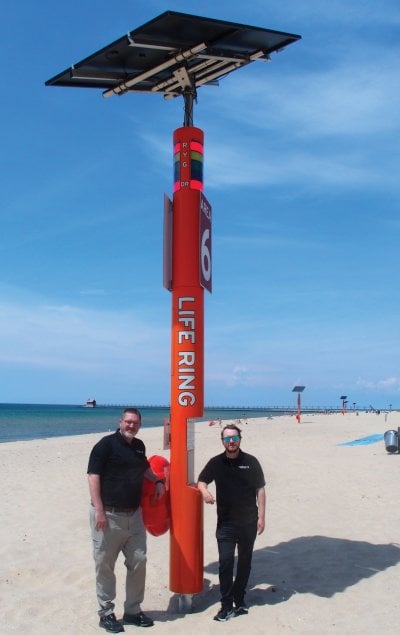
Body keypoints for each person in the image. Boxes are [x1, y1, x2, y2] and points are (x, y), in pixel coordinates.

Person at [87, 407, 165, 633]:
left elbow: (144, 469)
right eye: (128, 422)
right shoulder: (105, 445)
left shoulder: (139, 447)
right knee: (105, 565)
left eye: (135, 423)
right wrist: (99, 510)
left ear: (140, 424)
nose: (132, 426)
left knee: (139, 561)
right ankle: (106, 613)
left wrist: (158, 480)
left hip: (135, 515)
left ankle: (132, 611)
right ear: (120, 422)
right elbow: (93, 476)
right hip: (108, 516)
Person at [197, 423, 266, 622]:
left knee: (245, 563)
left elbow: (260, 490)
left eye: (234, 438)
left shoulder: (251, 462)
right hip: (225, 524)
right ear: (223, 441)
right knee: (226, 563)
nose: (231, 441)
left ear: (239, 439)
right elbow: (202, 480)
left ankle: (239, 598)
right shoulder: (216, 462)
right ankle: (226, 605)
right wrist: (204, 492)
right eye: (227, 439)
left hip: (249, 522)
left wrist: (262, 517)